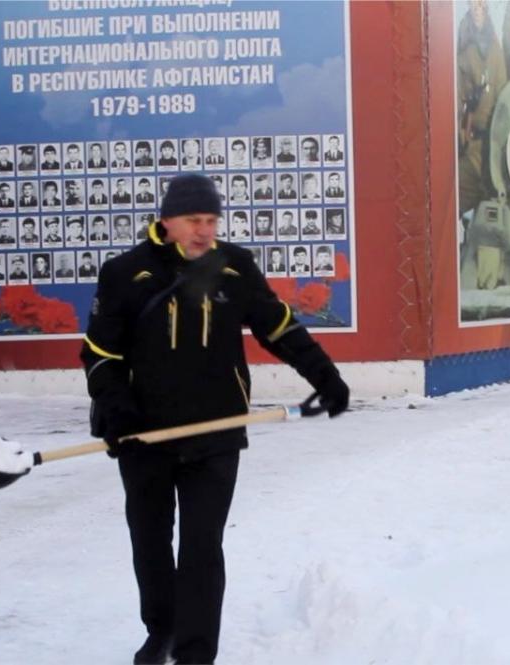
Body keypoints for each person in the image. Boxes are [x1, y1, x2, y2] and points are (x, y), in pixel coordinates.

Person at [79, 173, 349, 665]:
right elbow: (99, 353)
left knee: (203, 546)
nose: (204, 231)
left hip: (216, 429)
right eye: (192, 220)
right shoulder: (127, 273)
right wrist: (116, 409)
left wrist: (326, 377)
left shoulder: (234, 267)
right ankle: (161, 629)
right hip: (143, 433)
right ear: (166, 221)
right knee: (151, 541)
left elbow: (278, 326)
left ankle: (196, 653)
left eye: (210, 220)